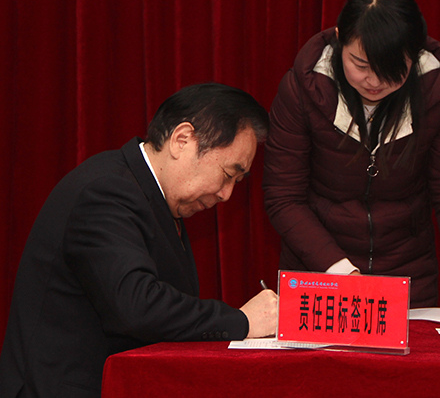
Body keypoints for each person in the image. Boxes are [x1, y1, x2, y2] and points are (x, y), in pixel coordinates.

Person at [0, 83, 278, 398]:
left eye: (237, 182)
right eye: (228, 175)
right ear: (182, 140)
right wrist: (243, 321)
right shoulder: (106, 191)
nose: (226, 194)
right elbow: (137, 305)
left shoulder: (155, 199)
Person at [262, 0, 440, 309]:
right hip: (319, 269)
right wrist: (342, 273)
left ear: (415, 55)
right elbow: (283, 197)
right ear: (339, 39)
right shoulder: (302, 89)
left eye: (391, 70)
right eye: (360, 65)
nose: (374, 82)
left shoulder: (438, 92)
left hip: (407, 273)